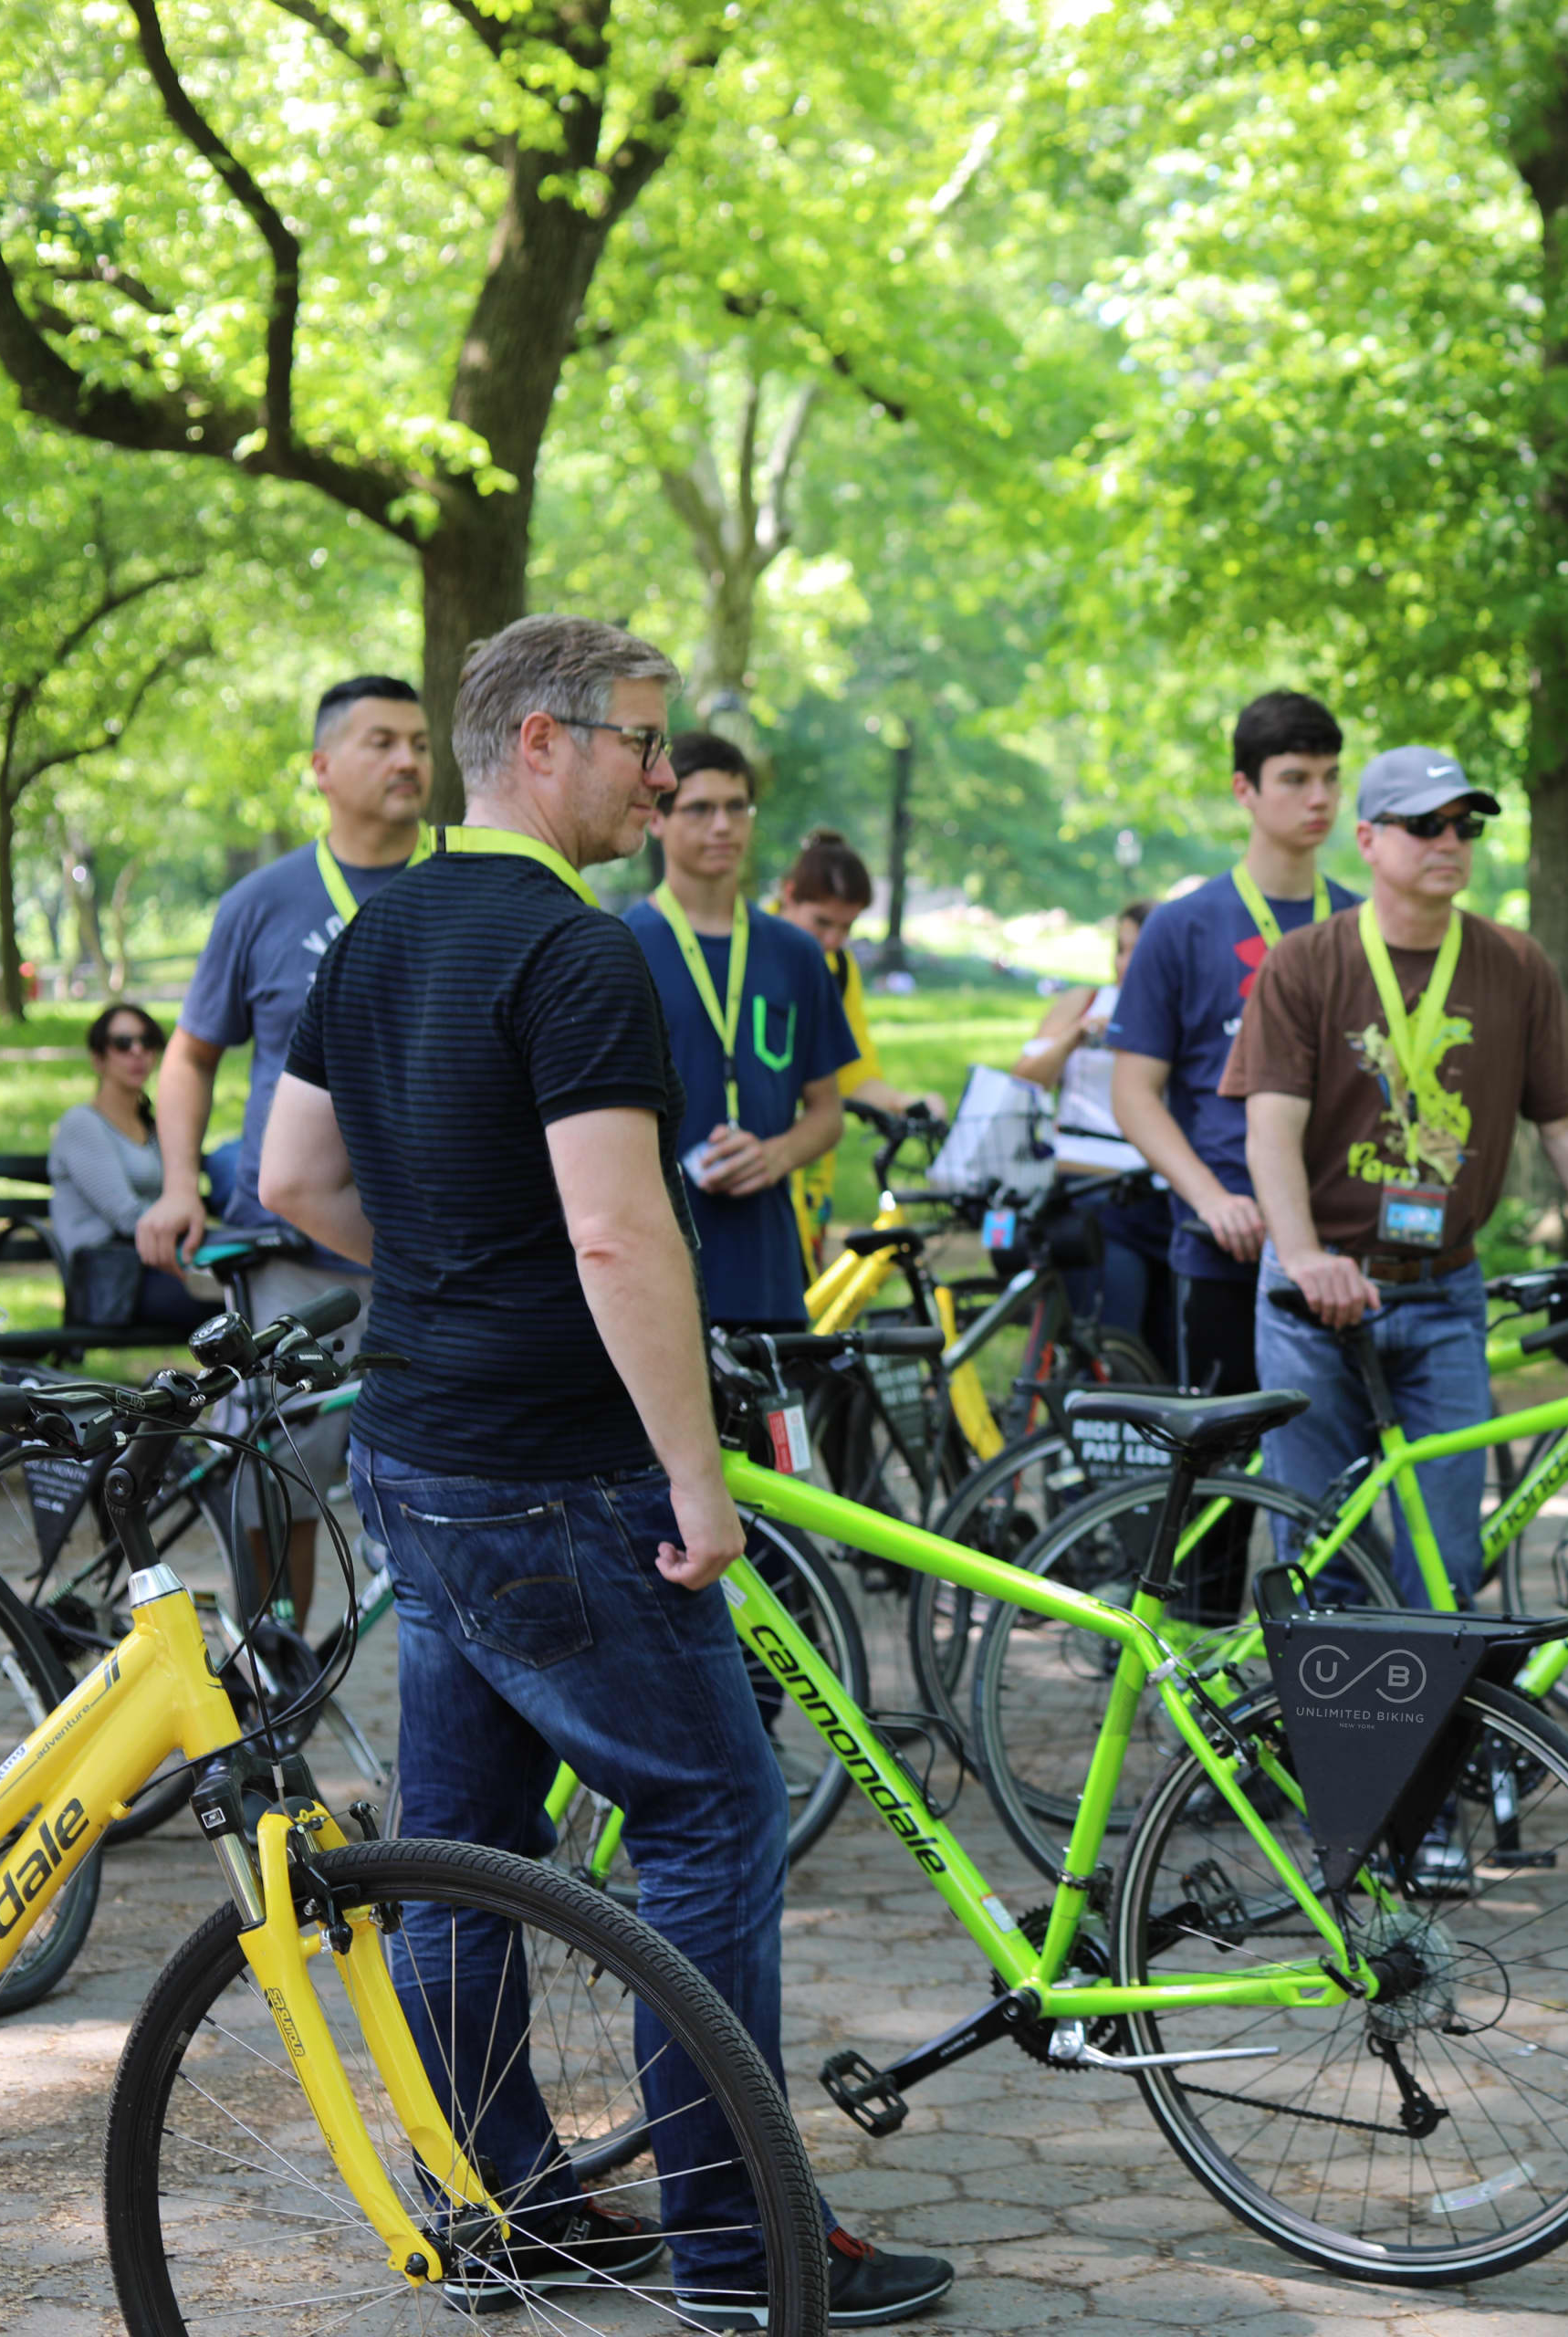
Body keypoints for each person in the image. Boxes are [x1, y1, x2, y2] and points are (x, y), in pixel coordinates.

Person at [257, 613, 950, 2324]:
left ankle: (500, 2207)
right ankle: (738, 2249)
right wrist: (698, 1480)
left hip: (415, 1446)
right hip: (566, 1472)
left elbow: (293, 1177)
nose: (667, 774)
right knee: (713, 1818)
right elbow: (620, 1235)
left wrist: (443, 1273)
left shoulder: (381, 925)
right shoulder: (584, 952)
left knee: (467, 1850)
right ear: (546, 741)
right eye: (646, 742)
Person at [1225, 747, 1568, 1607]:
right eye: (1425, 825)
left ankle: (1428, 1738)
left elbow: (1567, 1124)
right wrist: (1301, 1258)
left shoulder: (1514, 965)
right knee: (1320, 1551)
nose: (1449, 841)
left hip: (1445, 1294)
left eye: (1466, 825)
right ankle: (1323, 1740)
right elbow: (1270, 1124)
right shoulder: (1305, 962)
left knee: (1447, 1563)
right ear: (1370, 840)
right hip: (1315, 1299)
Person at [136, 673, 427, 1616]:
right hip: (297, 1248)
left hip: (442, 1246)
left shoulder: (464, 881)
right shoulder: (262, 902)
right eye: (381, 741)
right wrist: (180, 1183)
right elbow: (188, 1059)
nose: (408, 760)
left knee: (449, 1477)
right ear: (322, 766)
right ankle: (275, 1681)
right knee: (275, 1485)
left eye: (421, 743)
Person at [1109, 690, 1358, 1396]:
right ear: (1243, 790)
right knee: (1224, 1494)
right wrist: (1211, 1198)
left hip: (1342, 1247)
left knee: (1341, 1491)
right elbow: (1133, 1095)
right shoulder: (1180, 927)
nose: (1321, 799)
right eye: (1296, 778)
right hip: (1228, 1246)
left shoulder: (1359, 924)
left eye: (1332, 777)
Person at [624, 735, 857, 1331]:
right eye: (700, 808)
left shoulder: (798, 954)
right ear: (656, 817)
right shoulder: (617, 946)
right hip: (653, 1270)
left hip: (768, 1275)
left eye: (737, 807)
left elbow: (827, 1113)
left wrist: (776, 1155)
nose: (722, 826)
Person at [762, 827, 941, 1267]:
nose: (834, 940)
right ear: (788, 895)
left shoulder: (837, 969)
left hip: (807, 1178)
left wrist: (903, 1102)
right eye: (822, 922)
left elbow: (853, 1072)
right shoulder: (746, 945)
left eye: (847, 927)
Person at [1012, 901, 1174, 1368]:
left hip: (1161, 1189)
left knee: (1163, 1346)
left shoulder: (1182, 1011)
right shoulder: (1085, 1002)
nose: (1127, 963)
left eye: (1139, 951)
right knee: (1110, 1330)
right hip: (1092, 1188)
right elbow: (1025, 1077)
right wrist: (1076, 1036)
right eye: (1121, 950)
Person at [47, 1003, 209, 1330]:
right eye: (122, 1044)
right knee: (232, 1299)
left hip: (158, 1265)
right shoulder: (82, 1124)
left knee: (249, 1287)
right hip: (113, 1280)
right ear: (98, 1059)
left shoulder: (152, 1127)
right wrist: (193, 1233)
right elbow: (125, 1216)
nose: (137, 1051)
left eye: (147, 1042)